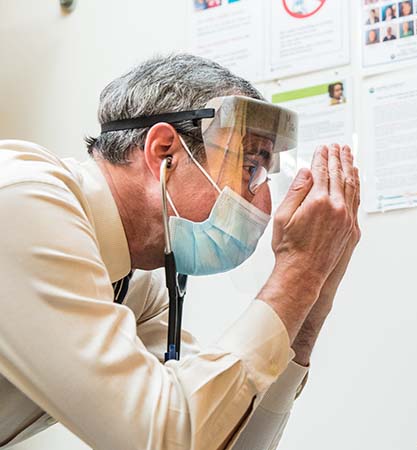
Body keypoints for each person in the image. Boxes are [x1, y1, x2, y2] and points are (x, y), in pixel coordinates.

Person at [0, 54, 361, 449]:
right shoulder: (24, 201)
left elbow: (222, 436)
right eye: (250, 167)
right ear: (164, 151)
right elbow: (162, 439)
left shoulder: (134, 288)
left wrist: (315, 291)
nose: (264, 205)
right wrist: (299, 271)